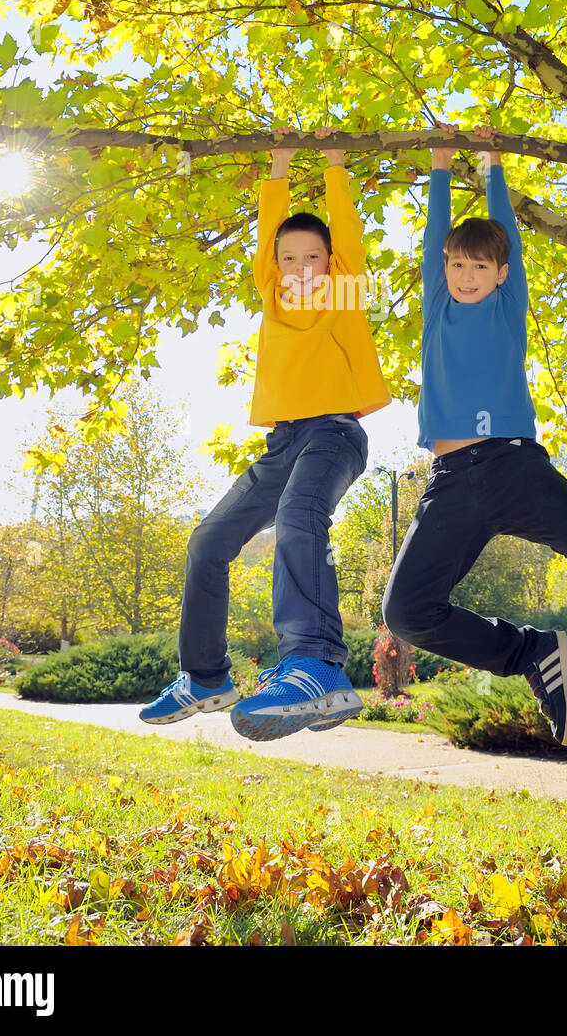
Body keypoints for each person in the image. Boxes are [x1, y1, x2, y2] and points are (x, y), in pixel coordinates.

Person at [381, 123, 567, 747]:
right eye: (456, 264)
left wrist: (491, 164)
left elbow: (504, 228)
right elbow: (433, 238)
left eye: (478, 265)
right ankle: (530, 654)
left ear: (502, 272)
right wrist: (437, 165)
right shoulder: (438, 306)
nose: (463, 274)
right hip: (452, 483)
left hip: (512, 467)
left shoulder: (509, 308)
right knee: (405, 612)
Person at [141, 128, 390, 740]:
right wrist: (277, 166)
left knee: (300, 519)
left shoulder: (345, 292)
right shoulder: (274, 295)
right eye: (290, 258)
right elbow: (264, 237)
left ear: (331, 262)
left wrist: (334, 162)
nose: (302, 267)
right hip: (282, 444)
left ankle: (315, 664)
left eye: (313, 257)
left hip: (334, 434)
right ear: (275, 266)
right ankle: (206, 676)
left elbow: (347, 235)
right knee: (208, 540)